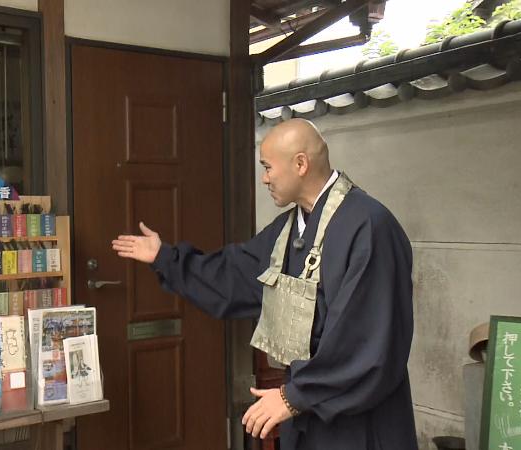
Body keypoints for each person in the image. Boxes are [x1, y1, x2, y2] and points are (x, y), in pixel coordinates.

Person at [111, 119, 417, 450]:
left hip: (358, 420)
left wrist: (294, 397)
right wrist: (166, 258)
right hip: (305, 409)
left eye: (268, 167)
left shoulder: (369, 226)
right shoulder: (287, 232)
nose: (264, 178)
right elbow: (233, 274)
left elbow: (367, 342)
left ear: (300, 164)